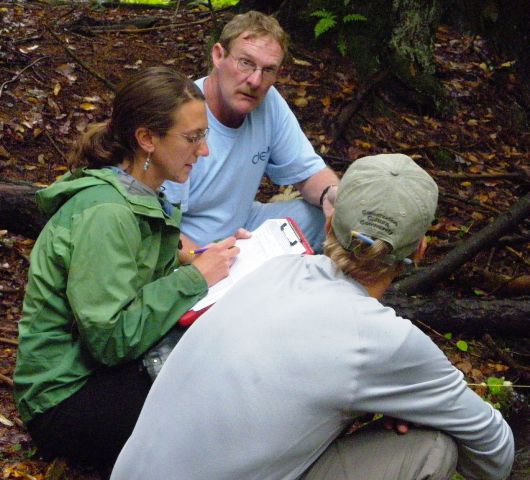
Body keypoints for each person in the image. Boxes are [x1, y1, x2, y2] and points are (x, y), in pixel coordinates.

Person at [111, 153, 514, 480]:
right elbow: (496, 451)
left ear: (329, 219)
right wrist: (409, 406)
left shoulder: (273, 268)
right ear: (420, 250)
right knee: (433, 447)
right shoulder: (384, 341)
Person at [13, 66, 239, 467]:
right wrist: (193, 278)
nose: (203, 151)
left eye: (203, 135)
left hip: (95, 375)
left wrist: (199, 258)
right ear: (147, 139)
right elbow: (110, 339)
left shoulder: (136, 193)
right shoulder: (106, 213)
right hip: (65, 397)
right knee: (215, 415)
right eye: (192, 138)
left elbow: (136, 272)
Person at [163, 10, 340, 254]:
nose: (255, 81)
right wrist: (203, 261)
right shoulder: (182, 113)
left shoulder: (268, 102)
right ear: (218, 55)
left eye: (268, 70)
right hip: (190, 246)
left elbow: (307, 171)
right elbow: (157, 229)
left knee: (327, 219)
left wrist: (331, 196)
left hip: (244, 225)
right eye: (246, 63)